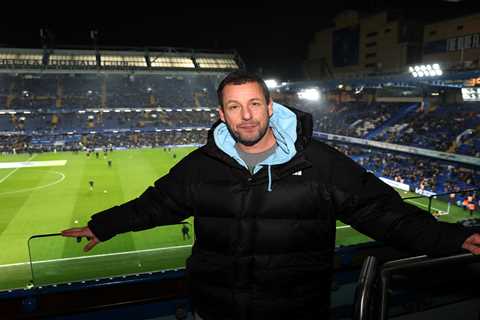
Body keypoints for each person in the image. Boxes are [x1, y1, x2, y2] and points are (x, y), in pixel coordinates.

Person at [62, 71, 480, 320]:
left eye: (254, 104)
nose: (246, 116)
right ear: (221, 114)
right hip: (217, 309)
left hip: (295, 312)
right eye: (234, 107)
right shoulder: (201, 165)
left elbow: (381, 211)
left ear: (269, 107)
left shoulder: (320, 161)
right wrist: (105, 224)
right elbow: (157, 202)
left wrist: (449, 238)